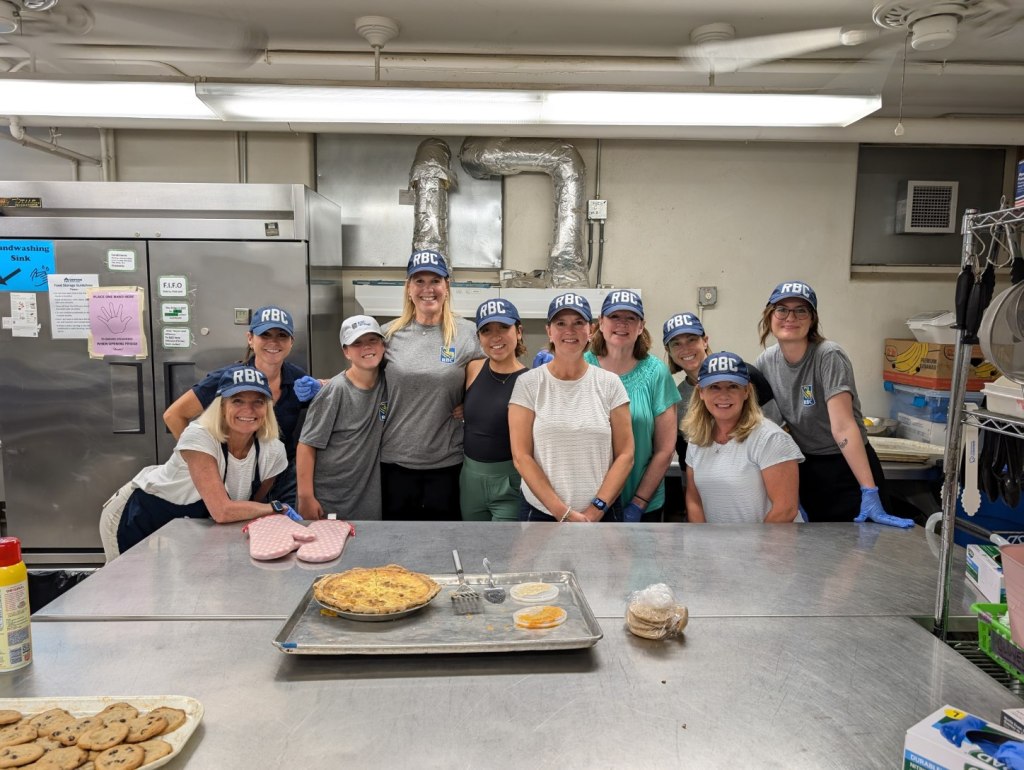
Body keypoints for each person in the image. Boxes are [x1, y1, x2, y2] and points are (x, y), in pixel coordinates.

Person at [754, 280, 914, 527]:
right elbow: (771, 426)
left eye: (801, 310)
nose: (790, 317)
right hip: (807, 467)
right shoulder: (766, 361)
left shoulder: (828, 355)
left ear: (812, 319)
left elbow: (843, 427)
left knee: (861, 549)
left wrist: (868, 490)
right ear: (770, 316)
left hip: (846, 466)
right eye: (782, 309)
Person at [101, 365, 290, 560]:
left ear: (267, 408)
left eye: (258, 402)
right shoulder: (199, 437)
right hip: (139, 516)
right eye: (237, 400)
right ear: (222, 406)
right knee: (126, 586)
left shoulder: (273, 451)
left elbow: (250, 508)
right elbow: (222, 511)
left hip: (187, 526)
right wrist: (276, 508)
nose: (248, 409)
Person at [163, 304, 320, 508]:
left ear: (291, 342)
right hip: (234, 477)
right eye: (265, 335)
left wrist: (321, 388)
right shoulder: (226, 379)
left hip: (280, 476)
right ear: (250, 339)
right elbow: (174, 415)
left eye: (281, 335)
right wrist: (205, 460)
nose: (273, 342)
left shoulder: (297, 378)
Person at [509, 292, 634, 522]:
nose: (570, 330)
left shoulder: (610, 384)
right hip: (542, 513)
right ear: (549, 331)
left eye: (578, 323)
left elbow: (626, 454)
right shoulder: (528, 384)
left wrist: (596, 509)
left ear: (592, 330)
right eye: (561, 323)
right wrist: (563, 513)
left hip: (601, 512)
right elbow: (521, 456)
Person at [380, 250, 482, 520]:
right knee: (397, 548)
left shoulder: (469, 333)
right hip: (394, 461)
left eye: (435, 280)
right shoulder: (387, 335)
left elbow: (492, 377)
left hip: (447, 464)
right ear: (408, 289)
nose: (428, 289)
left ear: (447, 287)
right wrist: (323, 385)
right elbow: (360, 381)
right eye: (419, 281)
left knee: (444, 549)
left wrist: (471, 402)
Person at [585, 290, 679, 522]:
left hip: (641, 502)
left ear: (641, 326)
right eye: (615, 317)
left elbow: (665, 450)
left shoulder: (656, 373)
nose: (622, 324)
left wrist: (639, 503)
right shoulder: (581, 367)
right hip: (586, 502)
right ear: (601, 323)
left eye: (630, 318)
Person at [682, 352, 803, 524]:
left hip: (770, 547)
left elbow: (785, 509)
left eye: (732, 386)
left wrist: (752, 550)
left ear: (746, 391)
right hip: (718, 548)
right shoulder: (697, 439)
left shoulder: (771, 439)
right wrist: (703, 545)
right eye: (714, 387)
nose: (723, 395)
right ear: (701, 392)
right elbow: (695, 501)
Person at [295, 315, 389, 521]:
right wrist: (305, 496)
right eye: (357, 343)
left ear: (383, 346)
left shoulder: (389, 383)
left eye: (372, 340)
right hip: (328, 496)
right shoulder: (335, 391)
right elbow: (306, 446)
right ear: (346, 351)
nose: (366, 347)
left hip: (365, 497)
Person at [663, 311, 776, 470]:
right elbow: (686, 458)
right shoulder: (677, 398)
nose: (686, 349)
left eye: (691, 340)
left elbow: (778, 430)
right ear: (668, 350)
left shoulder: (746, 375)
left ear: (705, 341)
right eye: (676, 343)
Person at [460, 298, 529, 522]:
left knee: (504, 551)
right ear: (479, 337)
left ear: (518, 331)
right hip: (470, 479)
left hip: (510, 480)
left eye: (504, 328)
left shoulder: (530, 380)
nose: (495, 337)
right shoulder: (472, 368)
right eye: (487, 330)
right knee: (471, 547)